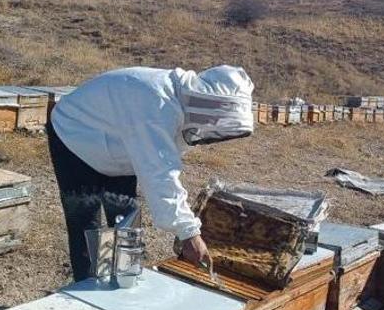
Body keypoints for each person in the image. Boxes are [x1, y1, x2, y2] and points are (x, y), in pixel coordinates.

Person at [47, 65, 255, 281]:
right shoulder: (157, 103)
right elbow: (160, 173)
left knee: (124, 215)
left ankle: (124, 279)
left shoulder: (173, 102)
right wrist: (189, 234)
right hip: (72, 135)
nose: (212, 124)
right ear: (208, 101)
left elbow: (158, 164)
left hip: (118, 140)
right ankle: (89, 290)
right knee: (86, 220)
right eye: (215, 118)